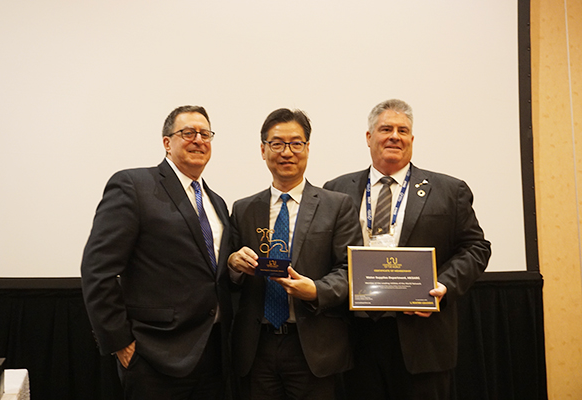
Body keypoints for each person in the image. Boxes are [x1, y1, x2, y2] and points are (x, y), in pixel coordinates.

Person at [324, 99, 491, 400]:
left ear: (412, 139)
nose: (394, 136)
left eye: (403, 130)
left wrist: (443, 285)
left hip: (422, 338)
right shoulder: (336, 190)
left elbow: (476, 248)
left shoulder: (449, 191)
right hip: (355, 337)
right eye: (385, 129)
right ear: (368, 137)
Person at [81, 105, 233, 399]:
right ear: (167, 142)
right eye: (188, 133)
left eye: (205, 134)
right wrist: (120, 343)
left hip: (213, 356)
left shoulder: (218, 203)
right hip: (154, 357)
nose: (198, 140)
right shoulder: (134, 186)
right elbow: (96, 269)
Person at [227, 108, 362, 399]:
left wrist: (316, 290)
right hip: (257, 347)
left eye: (296, 143)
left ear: (307, 148)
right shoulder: (243, 209)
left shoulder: (337, 205)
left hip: (313, 346)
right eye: (277, 143)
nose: (286, 151)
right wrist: (234, 264)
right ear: (263, 150)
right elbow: (228, 275)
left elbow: (351, 270)